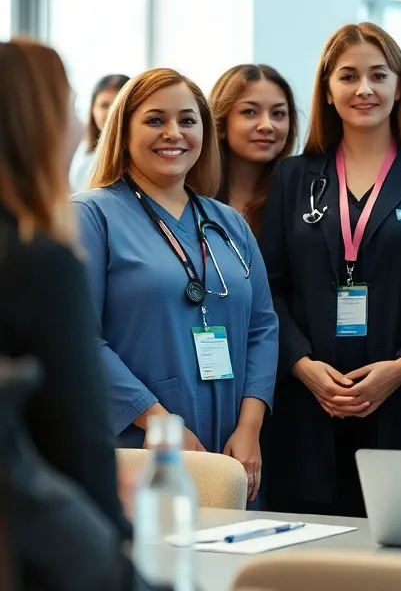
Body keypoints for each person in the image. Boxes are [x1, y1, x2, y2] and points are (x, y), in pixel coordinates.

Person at [260, 23, 401, 517]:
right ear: (327, 88)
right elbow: (269, 292)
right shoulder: (293, 177)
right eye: (348, 76)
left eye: (378, 75)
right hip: (309, 406)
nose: (364, 90)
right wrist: (303, 367)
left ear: (399, 85)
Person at [74, 68, 278, 504]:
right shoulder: (93, 216)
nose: (174, 133)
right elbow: (79, 339)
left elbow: (262, 327)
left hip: (233, 450)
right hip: (140, 445)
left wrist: (250, 428)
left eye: (187, 120)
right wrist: (161, 425)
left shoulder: (229, 224)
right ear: (122, 131)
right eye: (154, 120)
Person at [0, 40, 135, 588]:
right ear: (41, 124)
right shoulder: (38, 262)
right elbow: (76, 440)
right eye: (74, 110)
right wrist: (119, 554)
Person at [210, 64, 298, 236]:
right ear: (220, 123)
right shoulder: (188, 195)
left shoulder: (301, 199)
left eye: (278, 113)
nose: (266, 126)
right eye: (250, 112)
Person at [71, 74, 130, 191]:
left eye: (118, 105)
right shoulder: (83, 166)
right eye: (104, 105)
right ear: (92, 111)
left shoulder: (144, 162)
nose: (111, 112)